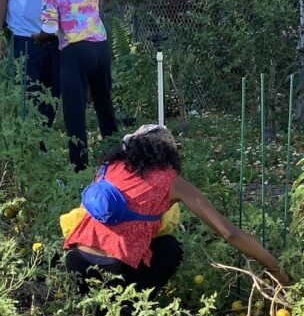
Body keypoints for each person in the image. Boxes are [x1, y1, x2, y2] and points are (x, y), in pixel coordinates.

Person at [64, 124, 289, 296]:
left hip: (76, 261)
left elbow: (85, 214)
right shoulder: (170, 181)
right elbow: (229, 233)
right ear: (167, 153)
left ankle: (97, 313)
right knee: (169, 247)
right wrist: (275, 268)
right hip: (116, 270)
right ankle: (131, 310)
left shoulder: (107, 169)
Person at [35, 0, 118, 170]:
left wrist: (38, 38)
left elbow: (49, 29)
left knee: (75, 110)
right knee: (104, 105)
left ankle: (79, 167)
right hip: (100, 48)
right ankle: (115, 159)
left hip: (75, 51)